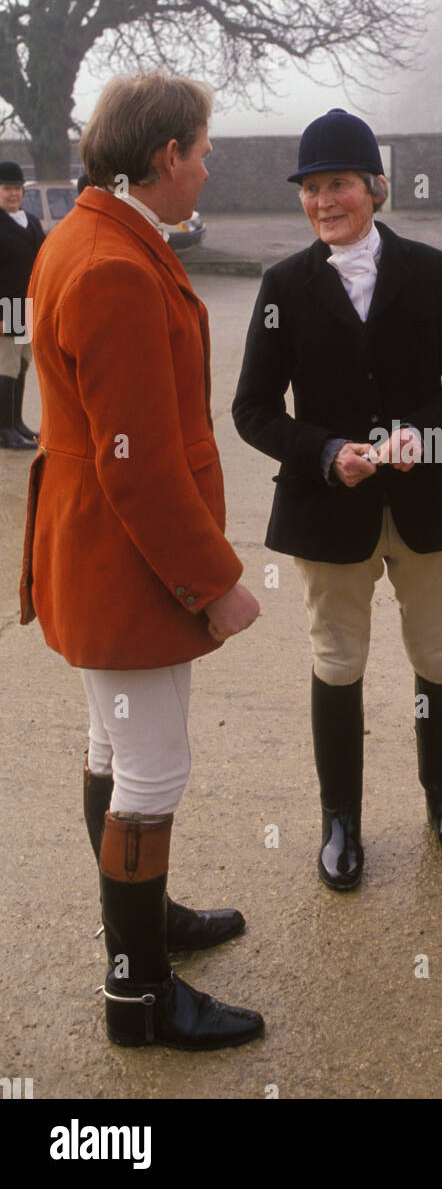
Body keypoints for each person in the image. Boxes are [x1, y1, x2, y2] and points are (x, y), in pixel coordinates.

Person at [20, 73, 264, 1049]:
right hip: (128, 561)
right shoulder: (112, 264)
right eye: (202, 150)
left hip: (96, 550)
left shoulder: (84, 232)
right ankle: (138, 991)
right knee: (152, 773)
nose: (207, 167)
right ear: (165, 156)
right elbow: (142, 466)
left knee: (114, 753)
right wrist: (214, 582)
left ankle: (143, 927)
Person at [233, 108, 442, 890]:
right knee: (338, 664)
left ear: (375, 187)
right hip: (329, 510)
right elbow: (251, 409)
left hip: (430, 503)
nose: (323, 201)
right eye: (311, 189)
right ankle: (340, 820)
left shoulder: (433, 268)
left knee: (437, 656)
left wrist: (425, 435)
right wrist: (320, 452)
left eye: (338, 183)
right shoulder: (283, 285)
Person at [0, 160, 44, 449]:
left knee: (23, 365)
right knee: (6, 366)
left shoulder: (31, 220)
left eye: (17, 188)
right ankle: (4, 430)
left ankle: (17, 422)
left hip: (27, 306)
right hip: (6, 306)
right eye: (7, 189)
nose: (13, 194)